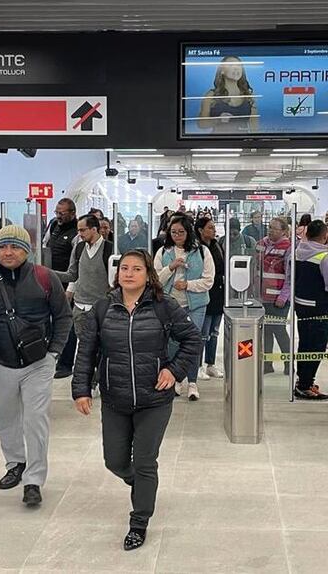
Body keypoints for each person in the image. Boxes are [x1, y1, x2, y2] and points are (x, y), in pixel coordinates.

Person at [73, 249, 202, 551]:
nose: (129, 273)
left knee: (145, 462)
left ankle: (139, 521)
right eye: (124, 268)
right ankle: (140, 484)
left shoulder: (164, 307)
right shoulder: (103, 308)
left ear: (148, 274)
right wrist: (80, 388)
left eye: (137, 269)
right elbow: (87, 351)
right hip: (115, 397)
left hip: (154, 398)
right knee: (114, 460)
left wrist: (174, 370)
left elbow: (192, 340)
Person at [0, 225, 72, 508]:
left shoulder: (46, 279)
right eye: (3, 247)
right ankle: (15, 463)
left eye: (15, 247)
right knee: (6, 419)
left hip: (38, 363)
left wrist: (53, 353)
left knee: (35, 420)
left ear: (27, 250)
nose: (8, 252)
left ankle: (34, 479)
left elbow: (63, 317)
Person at [154, 217, 214, 399]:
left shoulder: (202, 251)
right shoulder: (163, 251)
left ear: (188, 232)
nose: (177, 235)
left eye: (181, 232)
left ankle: (193, 382)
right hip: (170, 305)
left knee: (193, 342)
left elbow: (208, 280)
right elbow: (155, 280)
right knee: (172, 343)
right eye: (173, 232)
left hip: (195, 305)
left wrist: (188, 285)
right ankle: (176, 379)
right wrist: (170, 267)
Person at [51, 215, 112, 380]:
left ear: (94, 229)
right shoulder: (78, 249)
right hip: (80, 306)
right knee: (85, 347)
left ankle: (98, 378)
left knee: (102, 345)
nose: (79, 233)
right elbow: (72, 275)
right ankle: (88, 378)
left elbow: (115, 280)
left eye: (82, 230)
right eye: (78, 230)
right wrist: (50, 274)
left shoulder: (109, 250)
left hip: (102, 307)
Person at [294, 220, 328, 400]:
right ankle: (305, 385)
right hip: (321, 308)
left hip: (301, 305)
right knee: (317, 347)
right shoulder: (324, 257)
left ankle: (303, 381)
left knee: (305, 344)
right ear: (323, 236)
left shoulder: (298, 252)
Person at [44, 198, 79, 380]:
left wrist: (70, 289)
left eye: (62, 213)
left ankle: (66, 363)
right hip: (49, 281)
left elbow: (76, 267)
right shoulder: (52, 226)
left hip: (66, 284)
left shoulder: (76, 233)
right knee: (50, 322)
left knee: (68, 324)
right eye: (56, 212)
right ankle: (53, 358)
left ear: (72, 213)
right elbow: (44, 245)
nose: (58, 216)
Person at [255, 216, 293, 375]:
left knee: (279, 330)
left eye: (274, 228)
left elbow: (291, 275)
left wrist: (283, 296)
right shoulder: (261, 244)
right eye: (269, 227)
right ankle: (267, 363)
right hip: (262, 296)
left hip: (279, 298)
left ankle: (288, 363)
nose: (270, 231)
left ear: (284, 231)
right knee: (266, 331)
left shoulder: (289, 247)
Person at [196, 216, 226, 381]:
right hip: (203, 295)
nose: (213, 231)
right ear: (200, 230)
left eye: (214, 227)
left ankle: (210, 363)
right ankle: (198, 365)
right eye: (210, 228)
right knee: (203, 333)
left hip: (218, 294)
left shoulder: (217, 246)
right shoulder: (196, 249)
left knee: (214, 332)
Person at [196, 55, 258, 134]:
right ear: (222, 71)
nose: (236, 68)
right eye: (231, 65)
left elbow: (254, 125)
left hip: (242, 143)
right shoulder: (211, 95)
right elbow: (201, 124)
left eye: (239, 65)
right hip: (219, 143)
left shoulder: (249, 96)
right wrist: (218, 120)